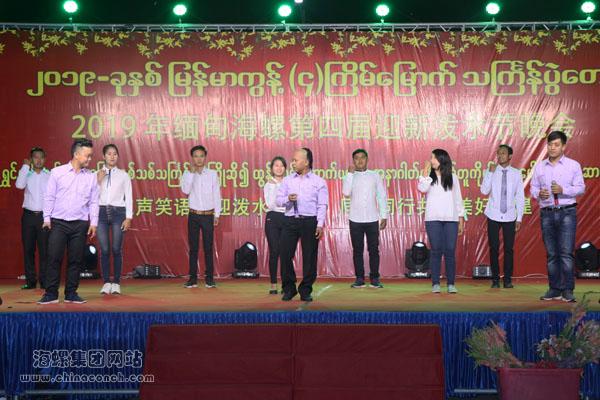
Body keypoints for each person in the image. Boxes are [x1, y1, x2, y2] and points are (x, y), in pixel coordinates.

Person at [38, 139, 99, 304]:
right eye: (87, 156)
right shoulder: (57, 172)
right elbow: (49, 197)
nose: (90, 159)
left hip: (80, 224)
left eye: (91, 156)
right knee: (53, 258)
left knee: (76, 260)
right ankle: (51, 293)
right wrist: (46, 218)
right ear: (76, 154)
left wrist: (93, 223)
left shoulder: (91, 177)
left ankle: (71, 293)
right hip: (58, 223)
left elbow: (94, 201)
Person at [531, 131, 585, 303]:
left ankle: (567, 290)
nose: (552, 148)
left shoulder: (573, 165)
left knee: (566, 253)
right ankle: (554, 288)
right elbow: (533, 188)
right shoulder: (540, 167)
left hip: (567, 211)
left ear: (563, 147)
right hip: (547, 213)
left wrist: (563, 190)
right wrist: (539, 193)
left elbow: (581, 188)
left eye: (556, 145)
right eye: (549, 144)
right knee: (552, 254)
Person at [276, 148, 328, 302]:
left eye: (296, 160)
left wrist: (320, 224)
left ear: (306, 162)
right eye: (292, 160)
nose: (292, 163)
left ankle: (305, 289)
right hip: (290, 220)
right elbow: (278, 200)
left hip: (310, 221)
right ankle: (289, 288)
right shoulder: (287, 180)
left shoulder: (318, 182)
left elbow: (322, 205)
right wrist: (287, 199)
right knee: (285, 254)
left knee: (309, 257)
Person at [417, 149, 465, 294]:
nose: (431, 160)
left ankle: (451, 284)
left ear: (442, 159)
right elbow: (422, 189)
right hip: (433, 219)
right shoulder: (428, 177)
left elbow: (458, 199)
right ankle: (436, 283)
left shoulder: (453, 177)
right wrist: (425, 174)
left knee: (450, 251)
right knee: (436, 250)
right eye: (431, 157)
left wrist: (461, 218)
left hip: (451, 219)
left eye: (433, 158)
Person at [480, 144, 525, 289]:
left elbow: (520, 196)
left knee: (509, 249)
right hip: (493, 214)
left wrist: (519, 217)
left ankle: (507, 279)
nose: (500, 156)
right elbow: (484, 191)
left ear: (510, 156)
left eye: (503, 153)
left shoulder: (516, 173)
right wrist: (490, 173)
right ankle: (495, 280)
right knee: (493, 248)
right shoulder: (491, 170)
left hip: (510, 215)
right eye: (498, 153)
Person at [342, 149, 388, 289]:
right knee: (357, 250)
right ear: (353, 161)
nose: (360, 160)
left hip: (372, 218)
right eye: (356, 158)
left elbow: (381, 196)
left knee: (374, 250)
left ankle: (375, 278)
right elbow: (346, 192)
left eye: (362, 157)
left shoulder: (375, 175)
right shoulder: (350, 176)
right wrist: (350, 174)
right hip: (355, 219)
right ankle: (359, 279)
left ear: (367, 159)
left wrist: (384, 216)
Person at [180, 145, 222, 289]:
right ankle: (192, 279)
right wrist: (191, 174)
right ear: (192, 158)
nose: (199, 159)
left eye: (201, 156)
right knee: (193, 248)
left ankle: (209, 279)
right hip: (193, 215)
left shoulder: (212, 174)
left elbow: (217, 194)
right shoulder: (187, 174)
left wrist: (217, 214)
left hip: (208, 215)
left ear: (205, 157)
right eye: (196, 156)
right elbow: (185, 190)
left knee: (208, 247)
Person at [96, 144, 133, 295]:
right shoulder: (96, 174)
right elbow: (90, 196)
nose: (112, 156)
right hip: (101, 213)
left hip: (119, 213)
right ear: (103, 156)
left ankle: (116, 282)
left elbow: (129, 196)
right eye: (109, 154)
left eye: (115, 154)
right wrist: (98, 181)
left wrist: (128, 217)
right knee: (104, 249)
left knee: (116, 249)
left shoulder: (124, 175)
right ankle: (106, 282)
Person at [15, 147, 50, 290]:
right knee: (28, 249)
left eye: (41, 157)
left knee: (44, 251)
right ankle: (30, 281)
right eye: (35, 157)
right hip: (28, 216)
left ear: (45, 159)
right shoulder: (26, 174)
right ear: (31, 159)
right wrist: (25, 167)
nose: (39, 160)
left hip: (44, 217)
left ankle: (44, 281)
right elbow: (19, 185)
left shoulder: (49, 175)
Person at [263, 156, 287, 295]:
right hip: (272, 218)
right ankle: (273, 283)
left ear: (285, 168)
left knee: (285, 252)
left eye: (281, 165)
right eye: (276, 165)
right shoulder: (268, 184)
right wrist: (274, 186)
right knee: (274, 251)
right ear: (272, 168)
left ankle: (285, 283)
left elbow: (291, 203)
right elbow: (270, 204)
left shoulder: (289, 183)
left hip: (287, 218)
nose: (279, 168)